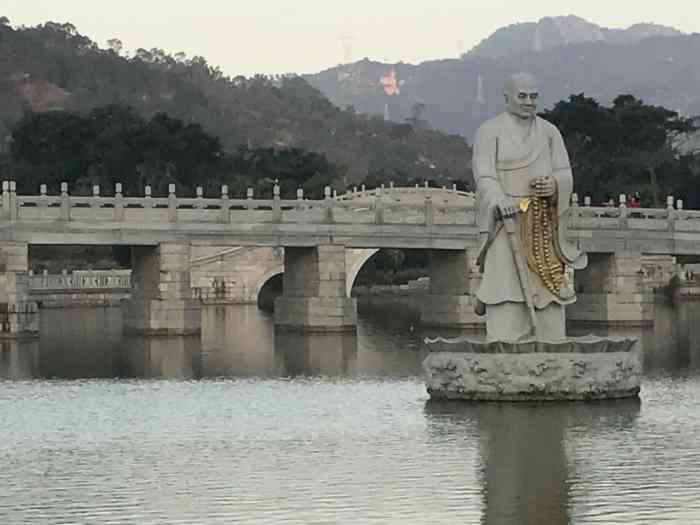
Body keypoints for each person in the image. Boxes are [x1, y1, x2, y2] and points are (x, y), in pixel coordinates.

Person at [472, 73, 587, 341]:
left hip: (542, 220)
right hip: (506, 220)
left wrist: (555, 185)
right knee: (505, 282)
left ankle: (550, 339)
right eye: (522, 96)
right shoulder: (490, 131)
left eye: (533, 96)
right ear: (507, 98)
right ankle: (505, 338)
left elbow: (564, 172)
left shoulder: (549, 132)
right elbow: (484, 175)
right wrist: (499, 198)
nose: (528, 102)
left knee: (547, 281)